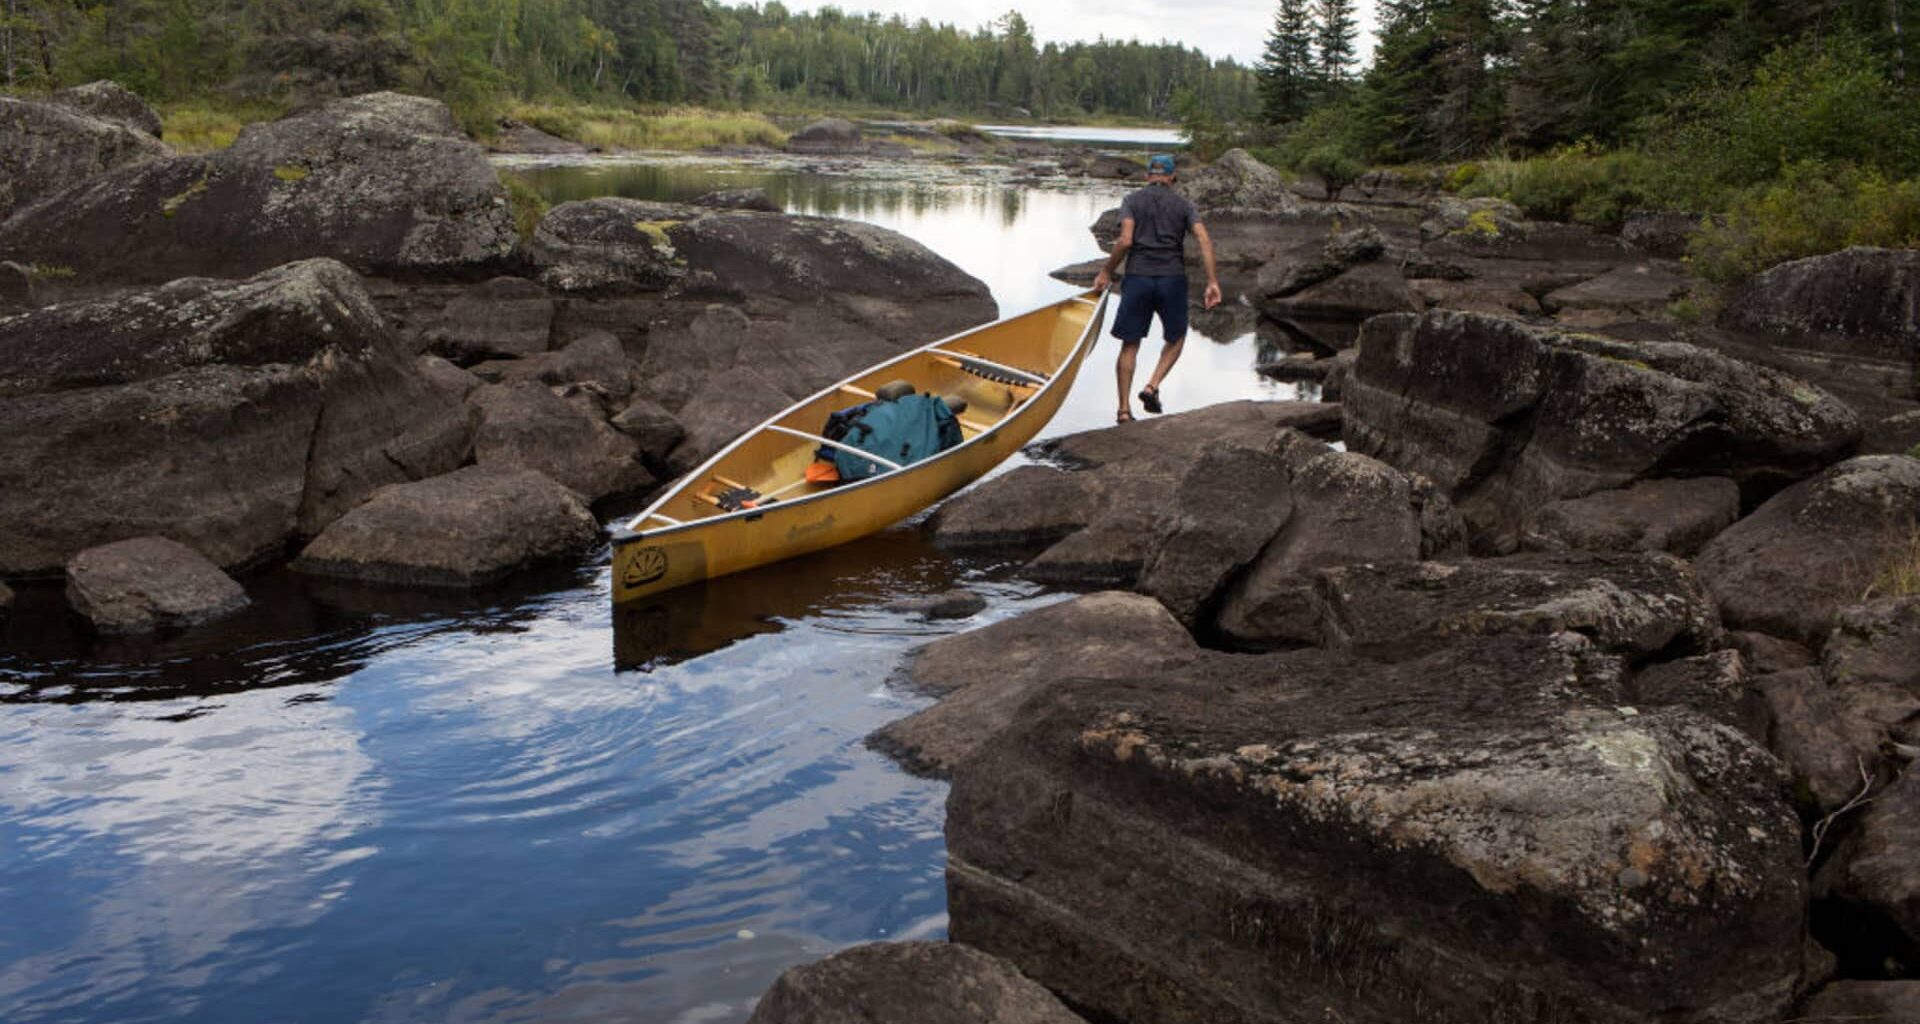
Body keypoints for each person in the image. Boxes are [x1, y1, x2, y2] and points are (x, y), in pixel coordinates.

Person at [1092, 153, 1222, 423]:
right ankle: (1151, 386)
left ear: (1148, 175)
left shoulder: (1132, 201)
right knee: (1176, 338)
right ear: (1173, 177)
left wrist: (1106, 270)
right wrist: (1212, 282)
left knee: (1130, 344)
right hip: (1171, 279)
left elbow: (1126, 240)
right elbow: (1204, 241)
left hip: (1138, 277)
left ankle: (1124, 410)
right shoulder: (1184, 205)